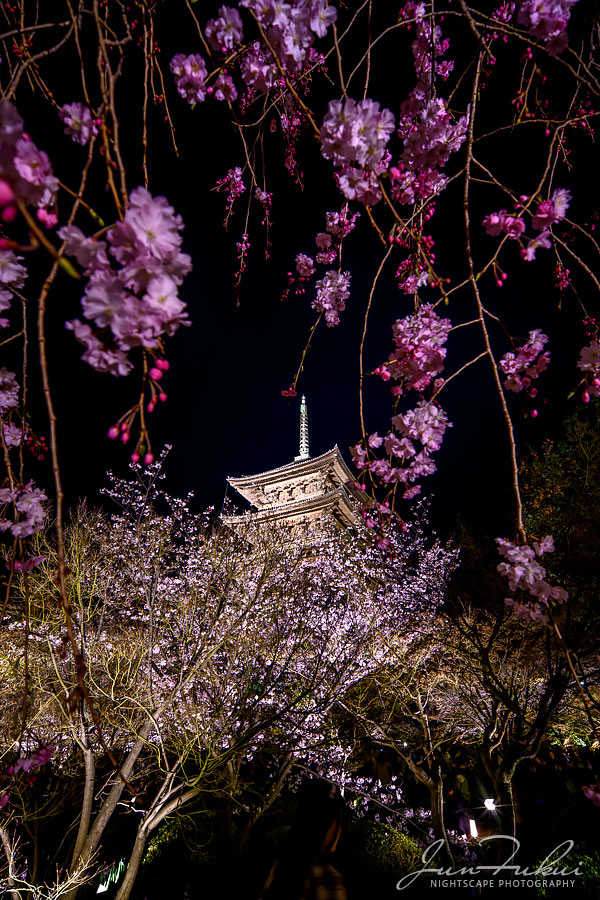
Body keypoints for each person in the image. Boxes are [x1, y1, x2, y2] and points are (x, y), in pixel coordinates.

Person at [258, 779, 349, 900]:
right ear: (325, 825)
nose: (340, 832)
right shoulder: (324, 877)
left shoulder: (282, 867)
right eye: (338, 823)